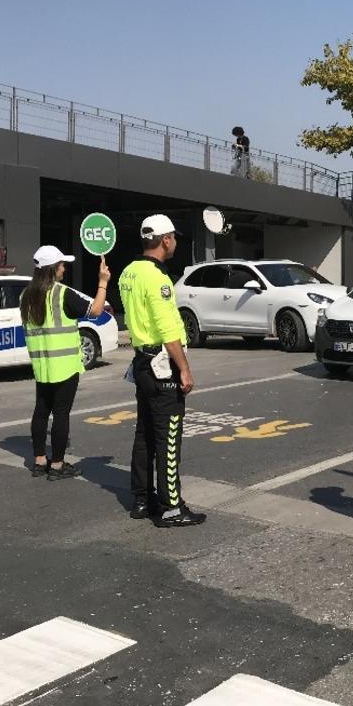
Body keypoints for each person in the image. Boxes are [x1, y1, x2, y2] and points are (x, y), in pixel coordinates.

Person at [118, 215, 205, 527]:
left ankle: (142, 499)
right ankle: (171, 508)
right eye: (174, 237)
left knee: (144, 434)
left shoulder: (129, 271)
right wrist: (185, 369)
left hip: (142, 361)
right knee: (168, 437)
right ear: (165, 240)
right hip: (162, 364)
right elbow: (167, 327)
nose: (175, 242)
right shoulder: (157, 278)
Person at [21, 245, 110, 481]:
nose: (64, 268)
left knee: (41, 411)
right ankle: (57, 465)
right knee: (61, 414)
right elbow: (96, 310)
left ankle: (40, 461)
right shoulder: (62, 294)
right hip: (65, 365)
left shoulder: (26, 296)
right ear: (52, 268)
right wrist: (102, 282)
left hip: (42, 365)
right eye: (61, 264)